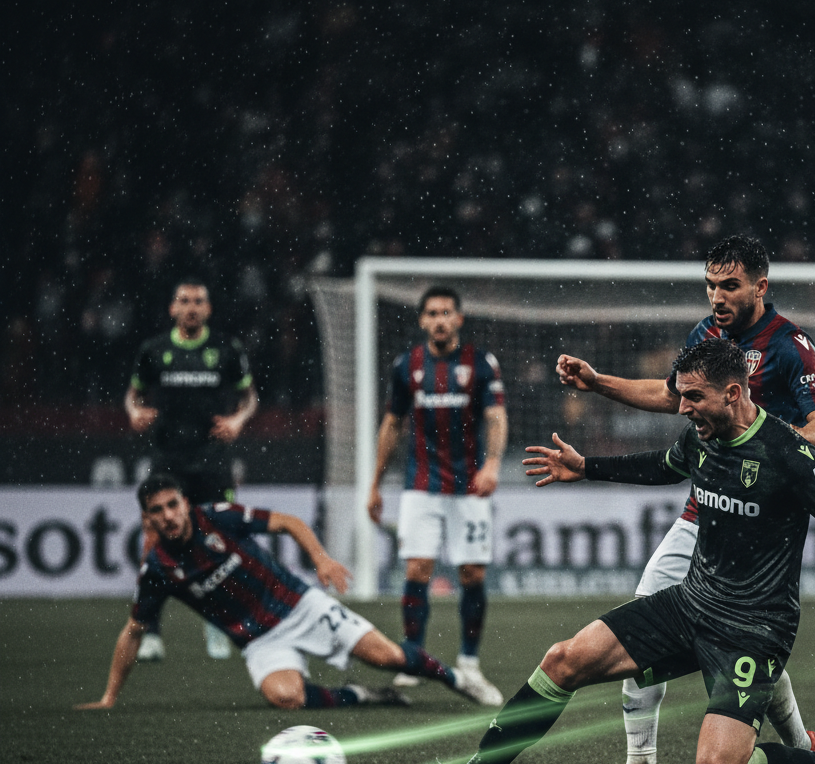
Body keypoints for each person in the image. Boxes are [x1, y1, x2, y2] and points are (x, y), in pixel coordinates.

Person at [388, 338, 815, 764]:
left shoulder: (789, 454)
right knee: (562, 660)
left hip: (754, 629)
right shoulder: (703, 436)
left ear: (733, 393)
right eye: (682, 395)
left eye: (693, 397)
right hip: (690, 605)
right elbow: (661, 465)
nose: (683, 407)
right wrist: (588, 468)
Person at [555, 235, 815, 764]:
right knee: (644, 620)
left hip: (759, 523)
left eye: (729, 285)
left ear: (761, 286)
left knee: (745, 640)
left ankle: (803, 756)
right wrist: (599, 383)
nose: (717, 295)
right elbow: (670, 397)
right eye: (711, 284)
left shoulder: (790, 346)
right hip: (702, 512)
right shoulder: (705, 337)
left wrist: (765, 449)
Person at [75, 474, 505, 712]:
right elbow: (134, 630)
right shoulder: (157, 570)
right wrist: (110, 697)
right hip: (259, 639)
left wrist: (320, 559)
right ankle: (366, 696)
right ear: (146, 519)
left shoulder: (218, 518)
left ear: (185, 503)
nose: (169, 516)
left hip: (301, 605)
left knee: (390, 657)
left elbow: (287, 522)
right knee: (286, 698)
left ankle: (457, 678)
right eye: (157, 511)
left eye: (173, 505)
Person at [367, 286, 507, 701]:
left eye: (447, 312)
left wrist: (494, 465)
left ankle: (469, 663)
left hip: (469, 487)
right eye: (432, 313)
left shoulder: (480, 363)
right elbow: (392, 425)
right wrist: (374, 482)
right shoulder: (406, 365)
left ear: (459, 319)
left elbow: (496, 417)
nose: (440, 319)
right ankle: (411, 659)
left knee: (472, 574)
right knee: (416, 571)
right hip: (421, 486)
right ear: (422, 320)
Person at [125, 279, 258, 662]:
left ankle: (218, 624)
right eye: (184, 301)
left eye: (199, 301)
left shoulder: (226, 350)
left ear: (208, 309)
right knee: (154, 540)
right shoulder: (154, 351)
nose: (192, 307)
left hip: (212, 458)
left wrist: (238, 420)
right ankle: (150, 632)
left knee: (219, 539)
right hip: (168, 458)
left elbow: (249, 395)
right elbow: (134, 393)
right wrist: (134, 412)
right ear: (172, 309)